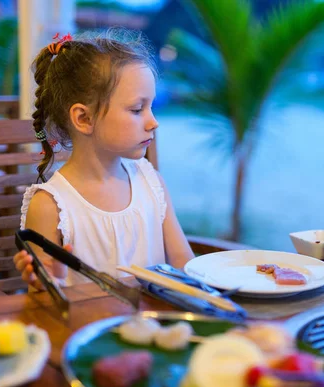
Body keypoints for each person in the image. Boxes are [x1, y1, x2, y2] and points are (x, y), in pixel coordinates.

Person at [12, 29, 194, 290]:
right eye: (136, 109)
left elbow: (183, 266)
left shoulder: (151, 183)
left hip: (157, 326)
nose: (153, 122)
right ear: (84, 119)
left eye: (151, 106)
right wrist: (47, 284)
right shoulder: (51, 207)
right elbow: (43, 300)